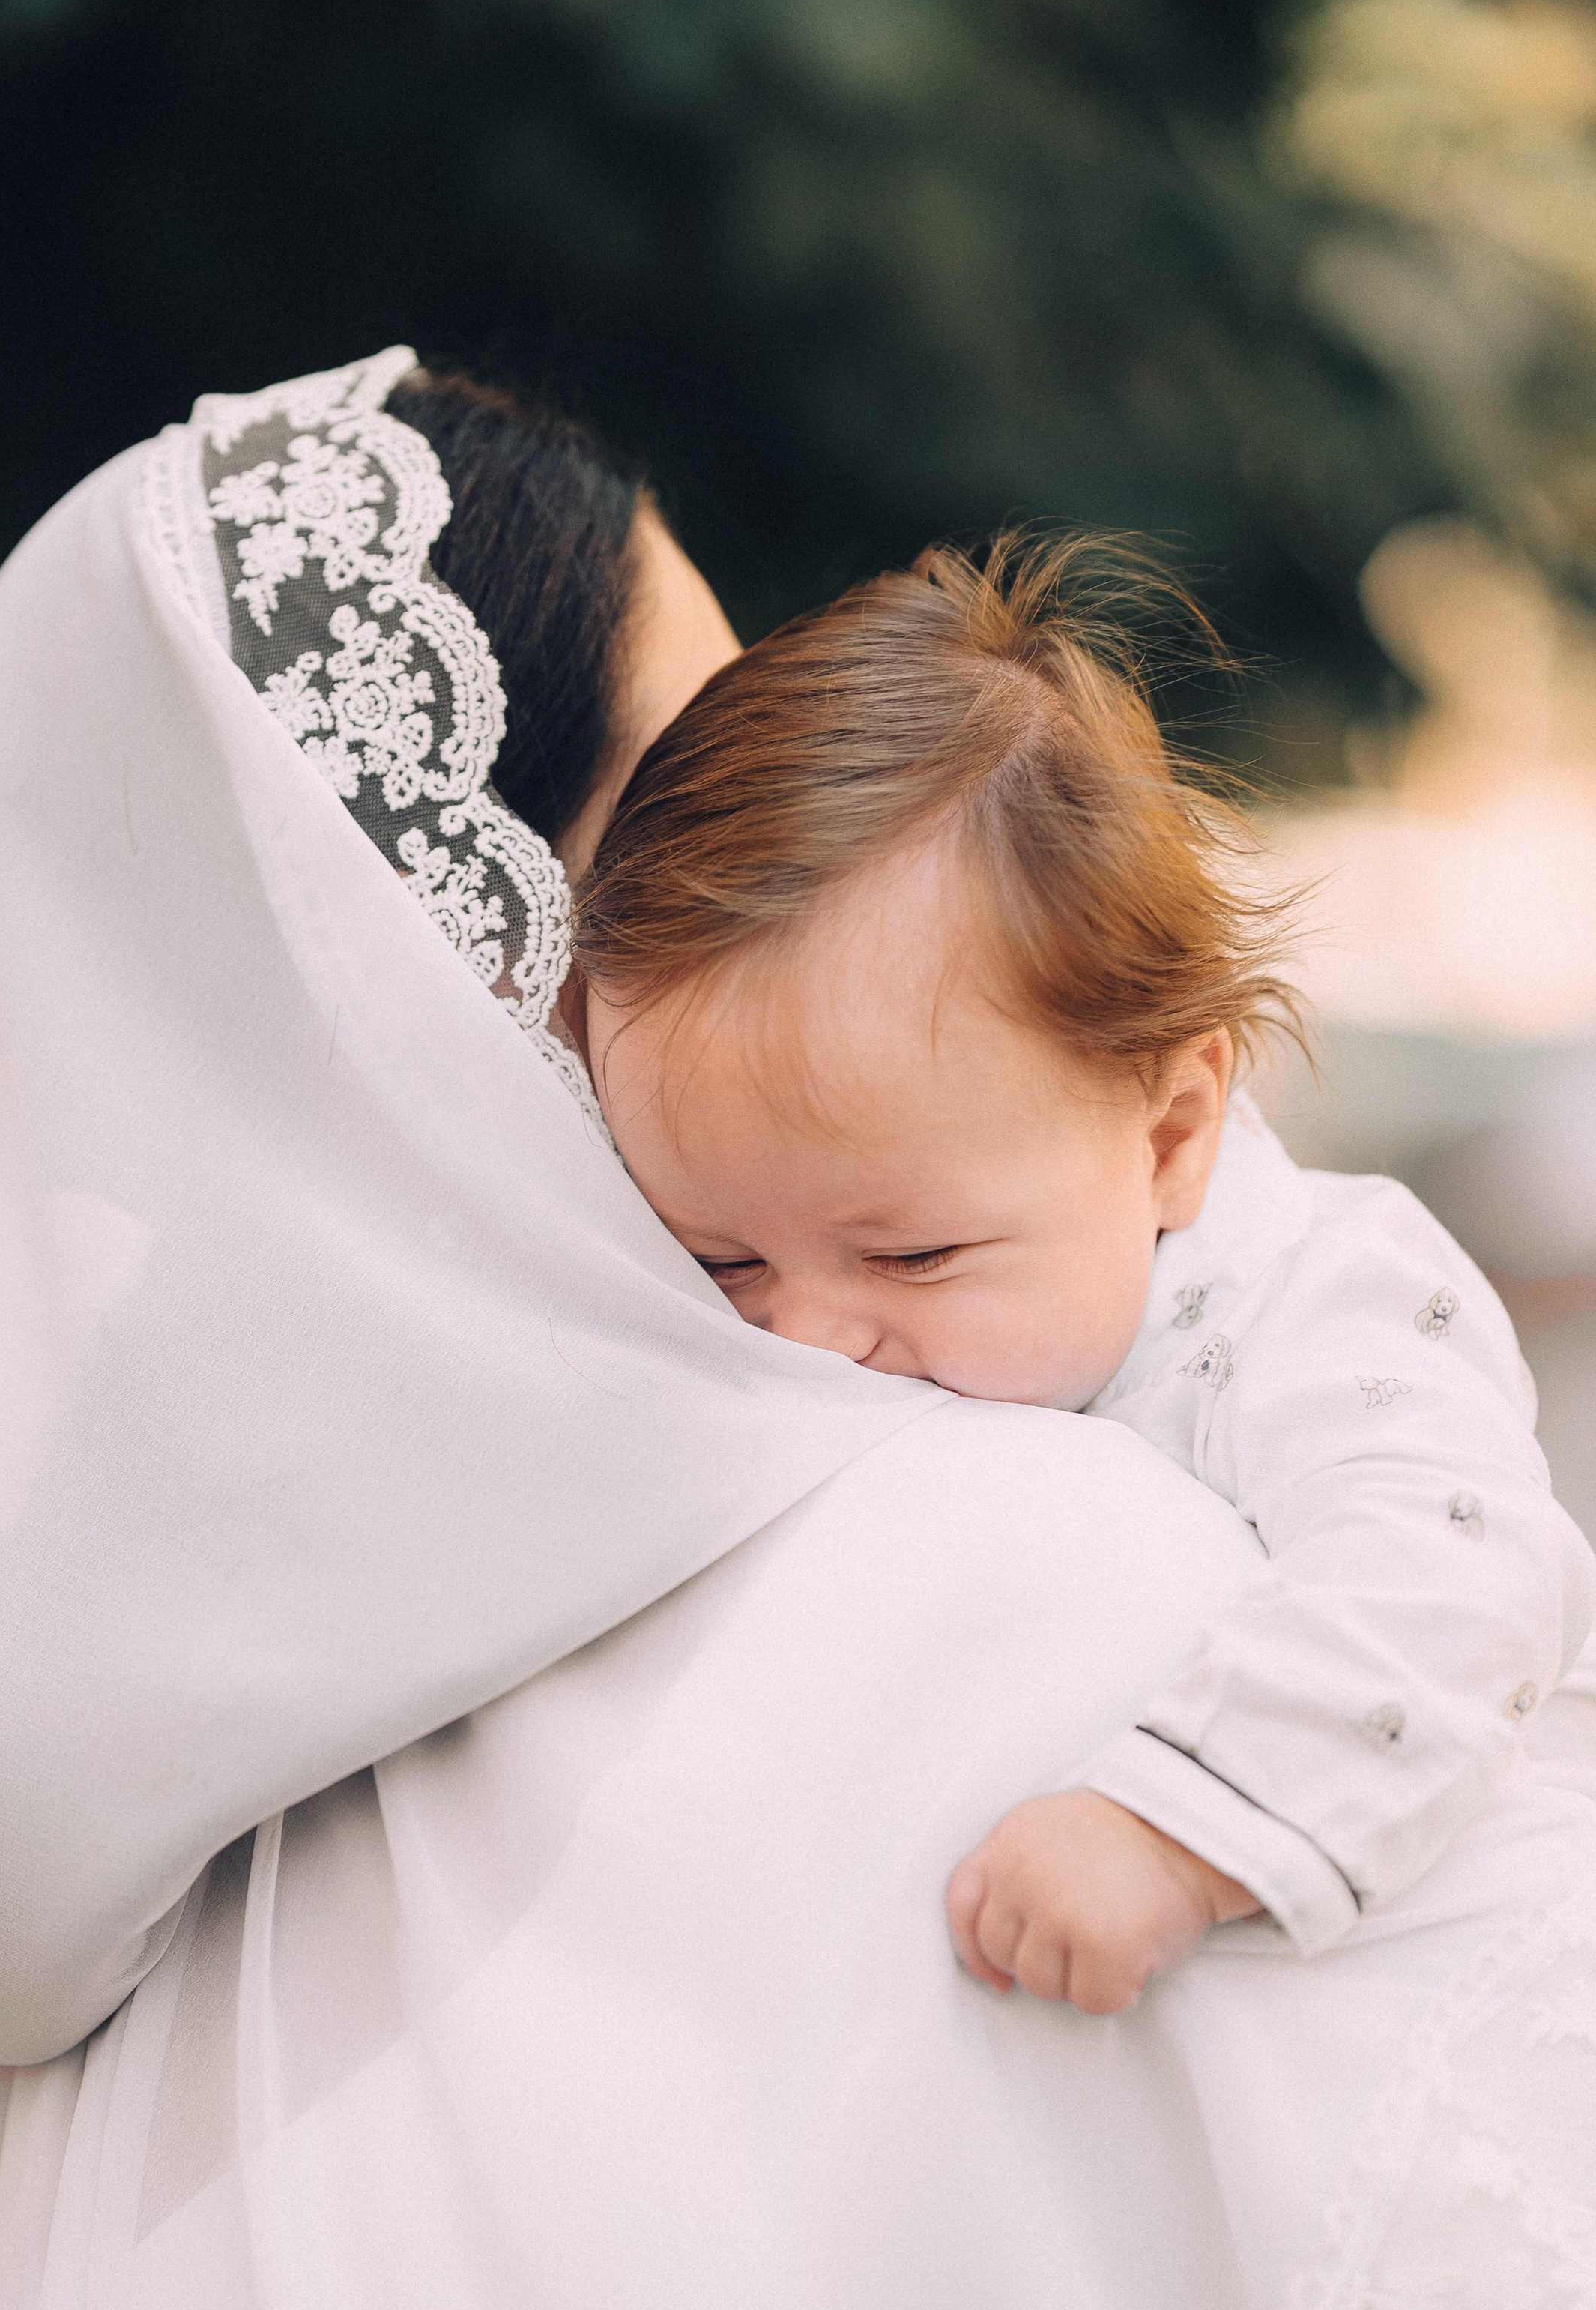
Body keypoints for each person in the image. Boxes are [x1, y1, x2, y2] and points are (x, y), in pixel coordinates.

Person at [0, 352, 1596, 2310]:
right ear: (506, 951)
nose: (808, 1329)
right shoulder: (1003, 1563)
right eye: (685, 823)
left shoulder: (30, 1762)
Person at [578, 537, 1596, 2016]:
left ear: (1170, 1135)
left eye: (911, 1253)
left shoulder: (1316, 1298)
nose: (806, 1333)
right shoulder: (879, 1294)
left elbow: (1448, 1576)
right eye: (719, 1257)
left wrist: (1177, 1827)